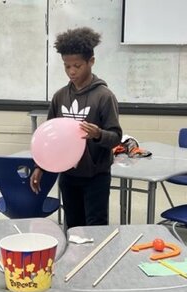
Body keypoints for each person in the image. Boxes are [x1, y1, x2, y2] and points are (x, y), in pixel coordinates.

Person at [30, 27, 122, 227]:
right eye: (66, 66)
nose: (71, 71)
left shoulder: (104, 96)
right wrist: (40, 166)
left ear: (91, 62)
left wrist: (98, 134)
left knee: (95, 227)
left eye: (77, 66)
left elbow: (115, 137)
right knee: (72, 226)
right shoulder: (60, 96)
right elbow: (49, 138)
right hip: (68, 175)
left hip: (96, 177)